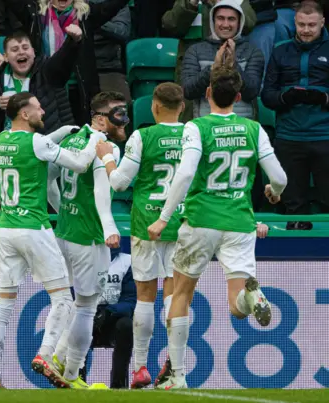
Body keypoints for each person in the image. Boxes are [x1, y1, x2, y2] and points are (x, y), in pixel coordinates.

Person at [147, 65, 288, 390]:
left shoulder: (196, 127)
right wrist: (275, 193)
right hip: (240, 222)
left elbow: (183, 175)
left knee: (181, 293)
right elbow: (279, 177)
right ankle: (253, 299)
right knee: (237, 307)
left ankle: (178, 377)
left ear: (208, 93)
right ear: (239, 97)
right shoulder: (254, 128)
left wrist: (164, 218)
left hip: (201, 220)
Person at [0, 92, 104, 389]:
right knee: (63, 298)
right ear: (24, 113)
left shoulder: (2, 139)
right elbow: (78, 163)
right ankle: (45, 355)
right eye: (37, 107)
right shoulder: (37, 142)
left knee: (3, 305)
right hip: (34, 228)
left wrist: (63, 132)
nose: (42, 111)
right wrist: (94, 138)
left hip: (6, 229)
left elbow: (38, 145)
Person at [95, 82, 185, 389]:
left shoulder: (142, 136)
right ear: (182, 107)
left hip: (146, 223)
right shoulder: (193, 135)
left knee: (145, 299)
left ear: (154, 107)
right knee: (176, 298)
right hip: (182, 222)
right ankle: (175, 371)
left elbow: (119, 183)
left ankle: (140, 368)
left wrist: (108, 157)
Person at [46, 91, 125, 389]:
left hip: (64, 232)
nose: (125, 119)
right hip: (89, 236)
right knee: (87, 306)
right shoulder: (105, 148)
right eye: (119, 113)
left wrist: (62, 210)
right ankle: (70, 372)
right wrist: (108, 228)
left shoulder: (71, 139)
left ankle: (61, 361)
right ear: (103, 117)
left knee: (72, 302)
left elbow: (47, 180)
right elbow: (102, 193)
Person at [0, 29, 83, 214]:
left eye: (25, 47)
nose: (21, 52)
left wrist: (72, 42)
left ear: (34, 52)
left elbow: (63, 63)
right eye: (15, 49)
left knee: (53, 208)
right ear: (6, 56)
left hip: (48, 153)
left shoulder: (47, 72)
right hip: (13, 156)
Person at [261, 0, 329, 228]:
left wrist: (324, 98)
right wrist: (285, 97)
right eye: (301, 25)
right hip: (289, 138)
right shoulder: (280, 50)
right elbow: (267, 96)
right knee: (293, 208)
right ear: (295, 23)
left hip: (325, 136)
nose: (306, 30)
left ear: (322, 22)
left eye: (312, 25)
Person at [11, 0, 130, 125]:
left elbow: (112, 5)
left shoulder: (85, 14)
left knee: (79, 132)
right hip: (45, 85)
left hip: (77, 87)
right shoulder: (36, 13)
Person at [162, 0, 256, 121]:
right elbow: (170, 25)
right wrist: (190, 3)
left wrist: (219, 3)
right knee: (190, 116)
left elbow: (249, 23)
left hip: (230, 59)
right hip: (192, 66)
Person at [80, 249, 136, 389]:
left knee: (126, 325)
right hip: (89, 314)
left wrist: (109, 312)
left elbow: (130, 301)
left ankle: (119, 385)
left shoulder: (127, 261)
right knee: (77, 324)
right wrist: (91, 312)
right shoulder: (84, 258)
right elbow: (76, 296)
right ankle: (76, 380)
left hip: (113, 318)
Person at [88, 0, 132, 102]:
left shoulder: (116, 3)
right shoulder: (73, 4)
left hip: (107, 66)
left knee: (123, 105)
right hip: (76, 69)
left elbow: (122, 31)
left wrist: (94, 20)